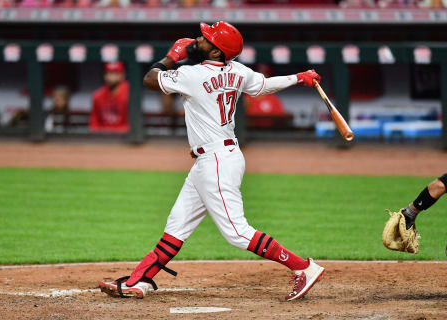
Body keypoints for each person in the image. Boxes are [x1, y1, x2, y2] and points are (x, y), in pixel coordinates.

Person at [99, 21, 325, 301]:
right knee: (177, 224)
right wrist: (298, 77)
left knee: (237, 233)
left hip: (217, 161)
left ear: (217, 52)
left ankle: (303, 267)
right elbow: (264, 86)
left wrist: (171, 56)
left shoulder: (192, 75)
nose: (197, 39)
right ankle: (139, 280)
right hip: (214, 160)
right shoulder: (238, 71)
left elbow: (149, 79)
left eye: (205, 38)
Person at [89, 61, 129, 133]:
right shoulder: (98, 96)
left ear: (122, 75)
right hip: (103, 137)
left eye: (114, 73)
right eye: (107, 73)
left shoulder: (130, 94)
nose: (109, 76)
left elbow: (132, 123)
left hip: (123, 137)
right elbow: (94, 122)